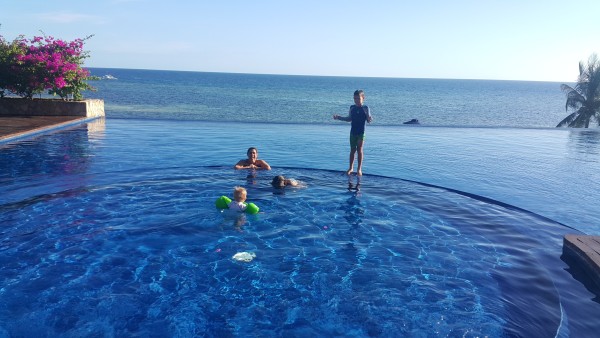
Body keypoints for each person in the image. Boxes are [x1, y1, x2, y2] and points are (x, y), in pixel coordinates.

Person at [333, 89, 373, 176]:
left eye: (358, 98)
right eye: (355, 98)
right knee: (352, 150)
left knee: (359, 150)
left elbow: (368, 119)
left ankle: (359, 169)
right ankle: (351, 168)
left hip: (361, 132)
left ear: (363, 98)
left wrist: (369, 118)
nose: (356, 100)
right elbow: (349, 119)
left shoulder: (366, 108)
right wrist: (339, 117)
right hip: (353, 132)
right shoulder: (352, 108)